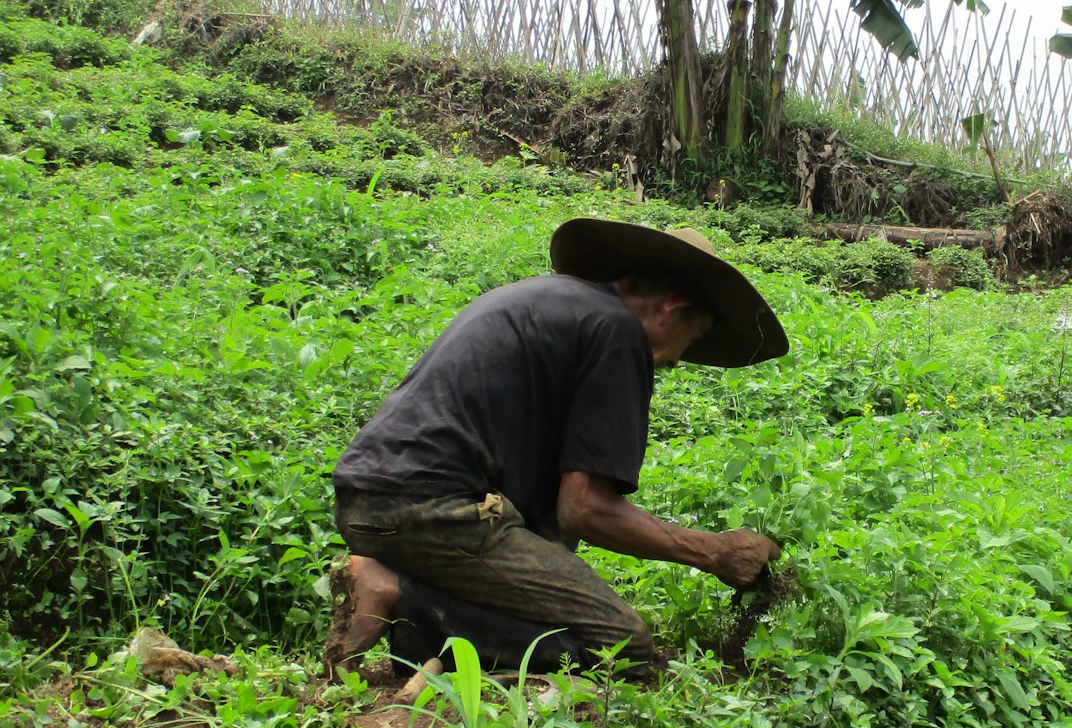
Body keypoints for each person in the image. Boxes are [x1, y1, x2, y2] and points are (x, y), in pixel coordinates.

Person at [323, 218, 787, 681]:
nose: (678, 358)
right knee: (622, 647)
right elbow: (584, 509)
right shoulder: (618, 332)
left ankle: (396, 596)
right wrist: (713, 552)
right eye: (695, 336)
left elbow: (544, 509)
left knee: (550, 616)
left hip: (368, 498)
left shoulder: (553, 303)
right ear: (672, 306)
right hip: (434, 508)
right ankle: (397, 593)